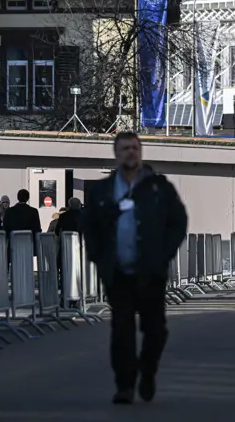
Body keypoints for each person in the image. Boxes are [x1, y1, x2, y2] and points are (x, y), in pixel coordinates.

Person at [80, 131, 187, 405]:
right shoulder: (103, 190)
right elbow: (89, 225)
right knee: (122, 329)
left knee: (156, 330)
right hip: (118, 272)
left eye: (135, 148)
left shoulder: (158, 188)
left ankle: (147, 371)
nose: (130, 152)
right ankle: (125, 385)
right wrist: (97, 256)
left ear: (141, 152)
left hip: (150, 272)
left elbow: (178, 221)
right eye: (125, 148)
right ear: (116, 154)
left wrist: (164, 254)